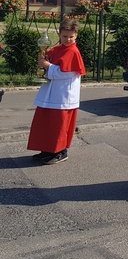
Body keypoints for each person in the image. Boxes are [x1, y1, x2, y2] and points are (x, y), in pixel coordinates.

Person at [27, 18, 86, 165]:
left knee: (59, 125)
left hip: (63, 96)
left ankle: (60, 151)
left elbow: (66, 73)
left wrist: (48, 66)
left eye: (71, 36)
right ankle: (47, 150)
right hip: (51, 93)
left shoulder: (73, 51)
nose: (68, 39)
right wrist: (43, 59)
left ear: (76, 36)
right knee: (46, 122)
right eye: (65, 36)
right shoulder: (58, 49)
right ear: (60, 34)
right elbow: (50, 60)